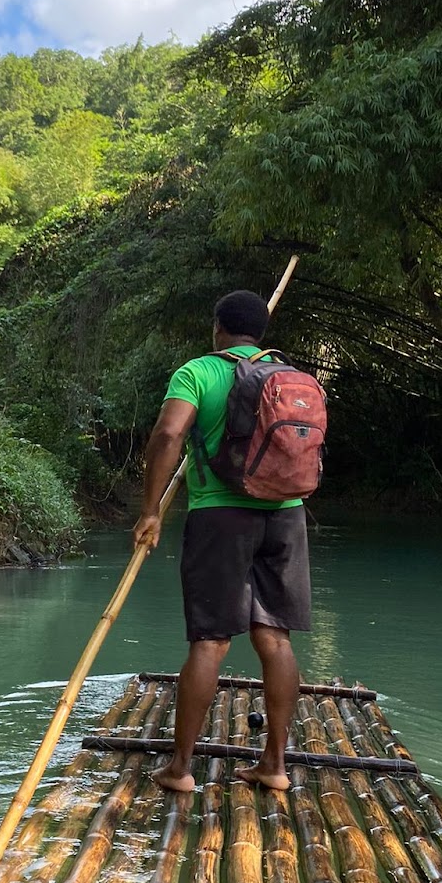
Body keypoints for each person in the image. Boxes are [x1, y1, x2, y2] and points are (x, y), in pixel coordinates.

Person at [132, 289, 310, 793]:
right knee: (275, 638)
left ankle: (180, 768)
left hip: (220, 517)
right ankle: (274, 765)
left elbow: (168, 436)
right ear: (262, 332)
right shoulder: (293, 377)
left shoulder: (199, 372)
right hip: (287, 515)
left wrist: (150, 509)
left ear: (217, 327)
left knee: (210, 642)